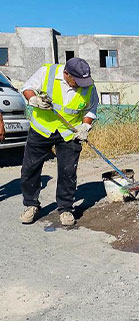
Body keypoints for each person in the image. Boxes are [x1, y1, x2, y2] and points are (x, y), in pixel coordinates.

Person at [20, 57, 98, 226]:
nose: (81, 84)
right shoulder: (46, 73)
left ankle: (65, 208)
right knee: (30, 168)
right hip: (42, 129)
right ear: (66, 74)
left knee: (68, 171)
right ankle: (31, 205)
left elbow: (91, 109)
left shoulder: (88, 85)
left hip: (69, 132)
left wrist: (85, 127)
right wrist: (34, 100)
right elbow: (27, 88)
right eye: (76, 81)